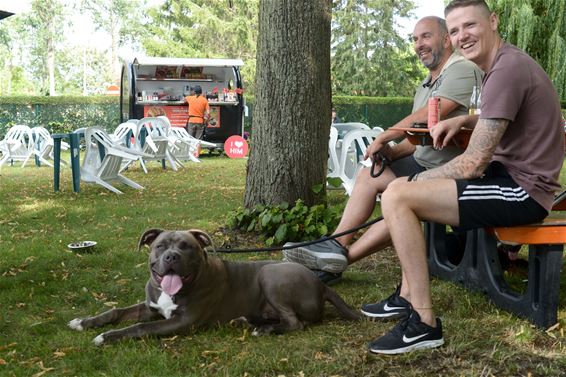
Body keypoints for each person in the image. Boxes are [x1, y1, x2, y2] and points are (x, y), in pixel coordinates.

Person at [367, 0, 564, 355]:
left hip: (524, 193)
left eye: (469, 26)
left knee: (399, 195)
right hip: (506, 178)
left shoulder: (506, 70)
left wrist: (413, 184)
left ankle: (424, 323)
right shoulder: (502, 65)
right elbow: (501, 117)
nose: (462, 36)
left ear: (492, 21)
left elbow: (472, 163)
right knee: (401, 192)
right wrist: (464, 120)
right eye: (455, 30)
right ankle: (408, 296)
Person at [283, 16, 483, 287]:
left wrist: (387, 135)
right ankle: (334, 245)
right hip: (423, 164)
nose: (418, 44)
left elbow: (430, 115)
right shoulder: (425, 83)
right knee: (369, 176)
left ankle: (338, 262)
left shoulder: (461, 69)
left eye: (426, 36)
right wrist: (391, 153)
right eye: (414, 39)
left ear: (447, 39)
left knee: (397, 203)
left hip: (451, 173)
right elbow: (419, 138)